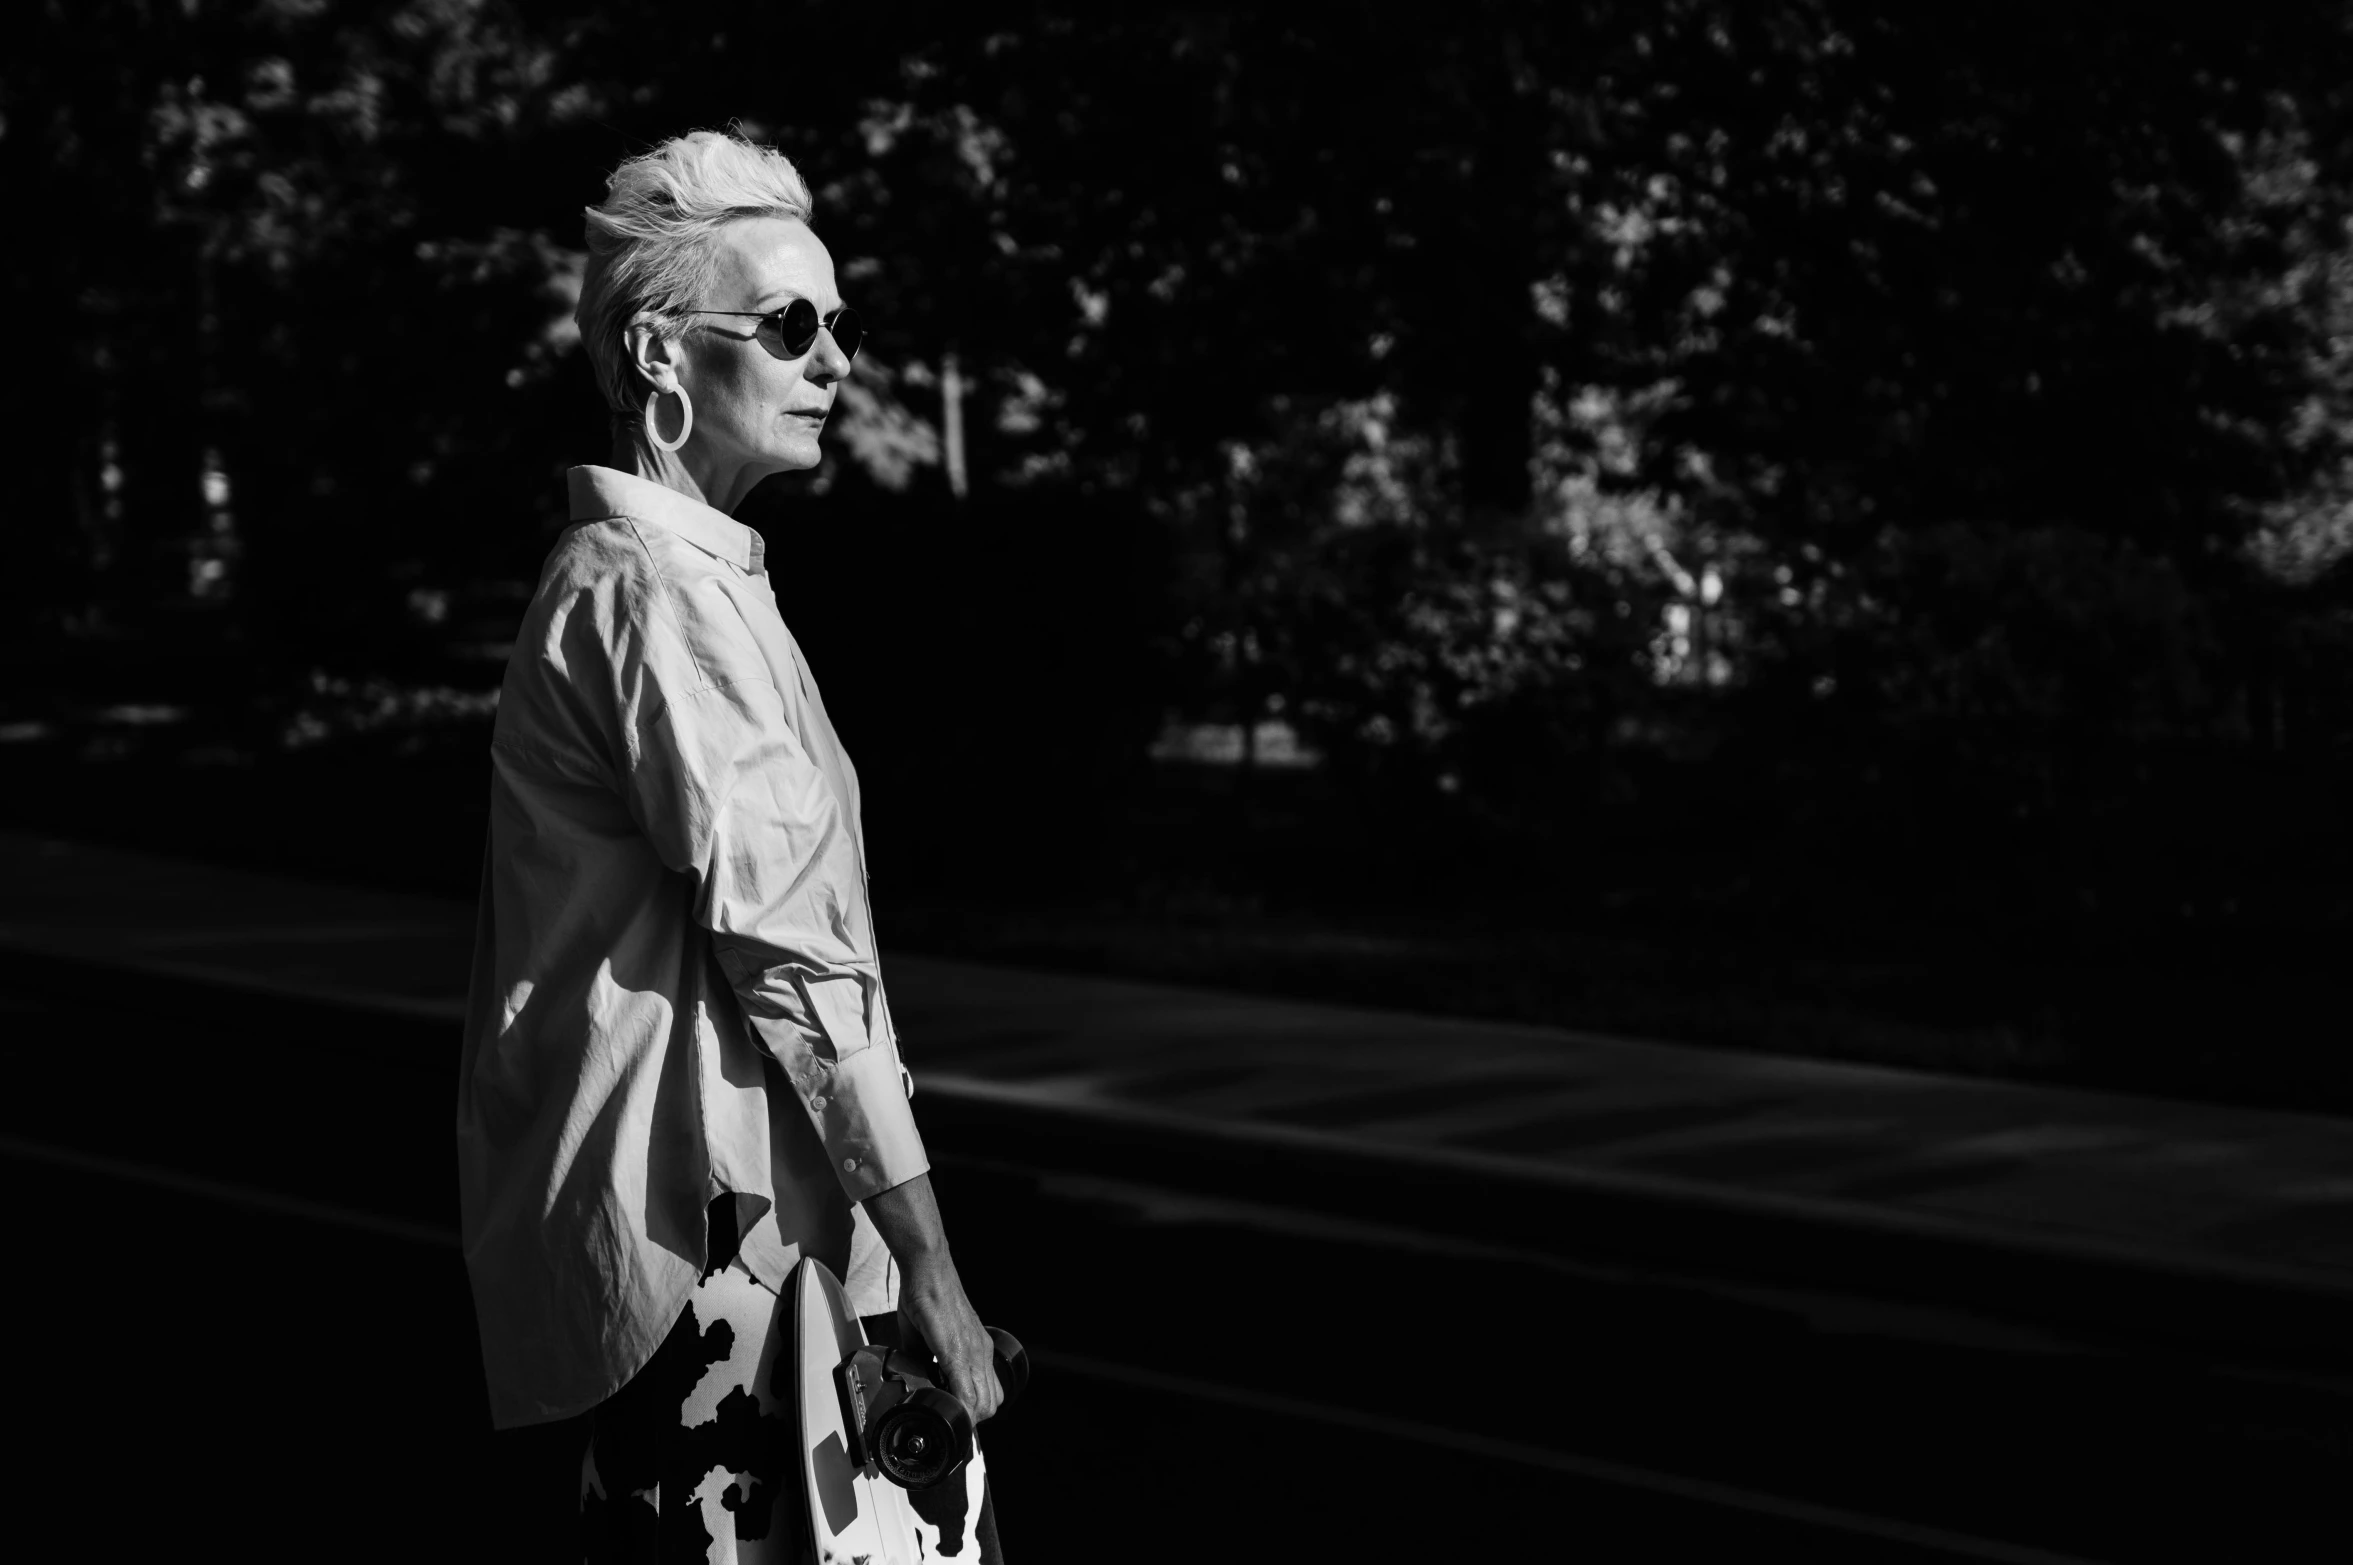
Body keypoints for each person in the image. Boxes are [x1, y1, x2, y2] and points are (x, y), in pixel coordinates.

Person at [456, 128, 1004, 1563]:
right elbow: (796, 956)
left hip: (738, 1237)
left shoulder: (678, 580)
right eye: (789, 326)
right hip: (727, 1245)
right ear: (658, 357)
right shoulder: (657, 599)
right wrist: (934, 1268)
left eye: (840, 324)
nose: (835, 361)